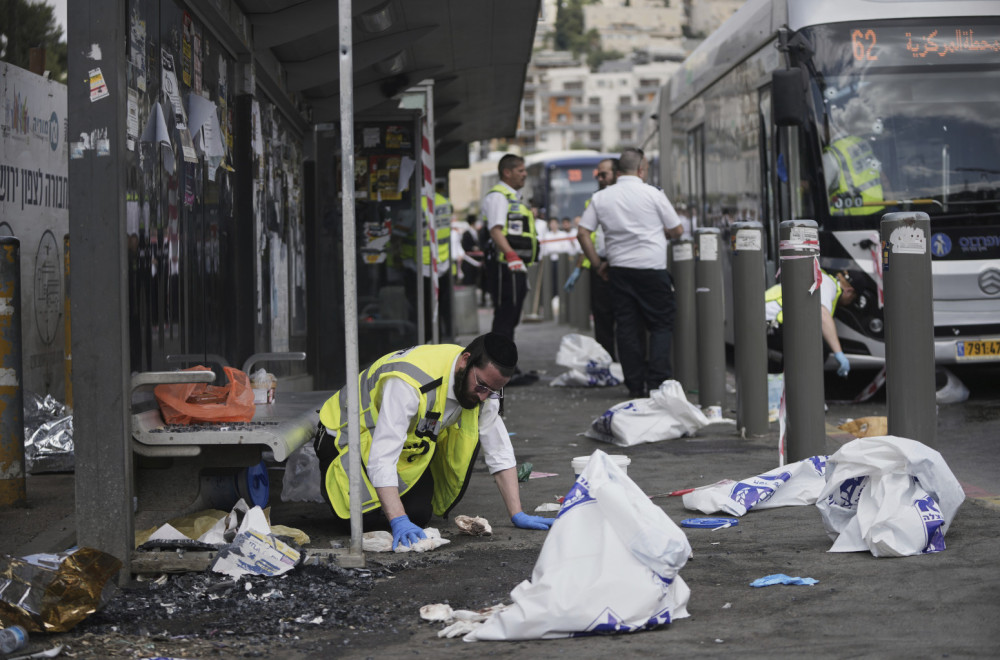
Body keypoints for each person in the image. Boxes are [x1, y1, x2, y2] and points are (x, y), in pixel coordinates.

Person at [314, 333, 554, 549]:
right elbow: (383, 455)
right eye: (481, 386)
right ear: (465, 360)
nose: (484, 397)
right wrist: (397, 519)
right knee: (362, 520)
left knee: (418, 514)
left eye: (493, 391)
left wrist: (517, 513)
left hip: (402, 446)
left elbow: (498, 446)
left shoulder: (483, 386)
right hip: (344, 438)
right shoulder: (409, 383)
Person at [577, 148, 683, 398]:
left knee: (626, 326)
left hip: (619, 271)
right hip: (652, 269)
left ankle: (635, 384)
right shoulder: (653, 194)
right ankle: (657, 383)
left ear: (618, 171)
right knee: (660, 325)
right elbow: (677, 230)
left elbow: (582, 233)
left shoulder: (601, 197)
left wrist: (597, 264)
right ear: (641, 169)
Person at [565, 157, 619, 358]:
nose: (600, 177)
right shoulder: (594, 200)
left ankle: (629, 366)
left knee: (626, 318)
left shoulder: (624, 197)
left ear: (617, 174)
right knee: (603, 317)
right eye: (599, 174)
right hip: (601, 265)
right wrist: (586, 266)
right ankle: (607, 361)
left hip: (622, 264)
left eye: (604, 174)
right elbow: (588, 237)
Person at [482, 154, 538, 342]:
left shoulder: (513, 197)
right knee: (505, 316)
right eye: (520, 170)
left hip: (513, 265)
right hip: (504, 265)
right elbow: (495, 231)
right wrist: (511, 255)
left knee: (511, 315)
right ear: (507, 172)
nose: (525, 174)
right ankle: (497, 364)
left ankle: (505, 363)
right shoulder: (499, 197)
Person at [764, 269, 857, 377]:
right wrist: (838, 352)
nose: (848, 303)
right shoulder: (827, 284)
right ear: (849, 291)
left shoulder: (823, 280)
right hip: (769, 322)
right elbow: (822, 314)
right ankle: (802, 390)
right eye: (852, 300)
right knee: (818, 348)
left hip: (769, 322)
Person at [404, 183, 453, 341]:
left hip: (420, 265)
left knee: (421, 311)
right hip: (442, 263)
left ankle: (425, 341)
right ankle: (439, 338)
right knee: (438, 309)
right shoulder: (443, 201)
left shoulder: (415, 203)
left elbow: (400, 233)